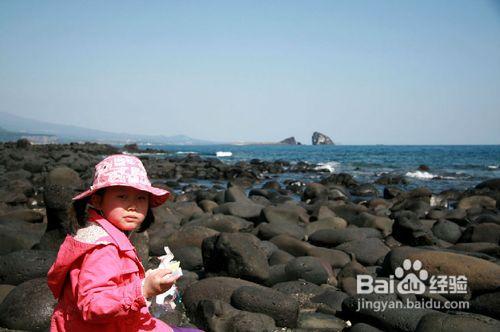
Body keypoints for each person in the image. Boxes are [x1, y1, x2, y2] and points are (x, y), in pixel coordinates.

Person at [47, 154, 185, 331]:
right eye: (122, 196)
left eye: (141, 198)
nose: (132, 206)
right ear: (97, 200)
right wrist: (143, 289)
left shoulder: (106, 236)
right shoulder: (102, 249)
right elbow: (93, 305)